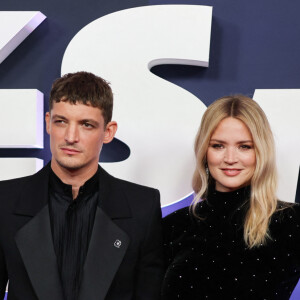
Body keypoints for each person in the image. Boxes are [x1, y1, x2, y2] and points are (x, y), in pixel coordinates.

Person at [0, 71, 163, 300]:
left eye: (86, 124)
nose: (70, 136)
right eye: (61, 121)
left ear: (108, 132)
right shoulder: (4, 201)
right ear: (48, 123)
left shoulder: (142, 207)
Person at [162, 95, 300, 300]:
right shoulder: (174, 225)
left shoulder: (291, 221)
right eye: (218, 145)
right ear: (204, 151)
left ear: (261, 151)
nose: (230, 159)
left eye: (244, 146)